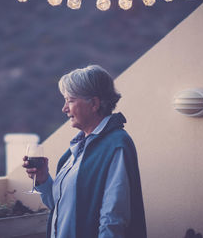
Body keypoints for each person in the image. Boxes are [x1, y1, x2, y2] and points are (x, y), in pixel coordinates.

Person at [23, 64, 147, 238]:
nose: (64, 108)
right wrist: (43, 178)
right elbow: (60, 205)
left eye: (70, 100)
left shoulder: (116, 144)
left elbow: (113, 217)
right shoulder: (76, 149)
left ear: (94, 104)